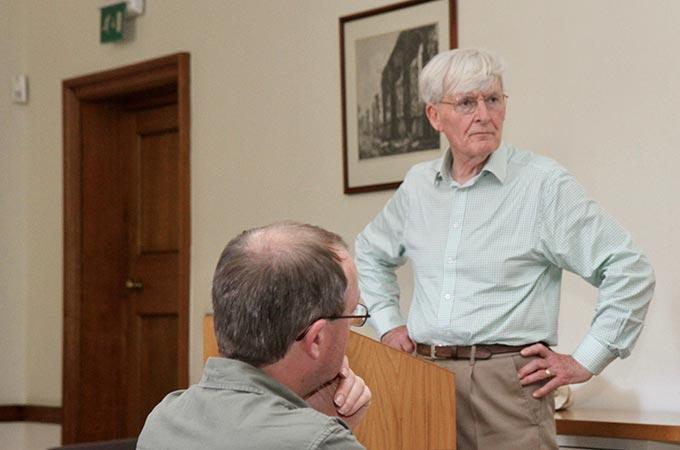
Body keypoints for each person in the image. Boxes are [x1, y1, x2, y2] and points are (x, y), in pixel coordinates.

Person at [355, 48, 655, 450]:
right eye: (466, 102)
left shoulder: (543, 184)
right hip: (421, 381)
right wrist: (389, 323)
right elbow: (369, 253)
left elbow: (628, 267)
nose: (484, 114)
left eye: (492, 99)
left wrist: (586, 359)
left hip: (507, 386)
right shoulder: (418, 186)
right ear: (434, 116)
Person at [138, 222, 371, 450]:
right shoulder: (321, 441)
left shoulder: (163, 420)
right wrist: (332, 431)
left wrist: (309, 417)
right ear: (316, 339)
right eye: (351, 314)